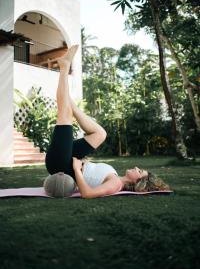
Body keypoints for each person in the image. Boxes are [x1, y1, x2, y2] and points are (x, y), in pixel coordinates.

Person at [44, 45, 170, 198]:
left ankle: (64, 67)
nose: (137, 167)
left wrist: (77, 169)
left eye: (140, 171)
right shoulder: (116, 176)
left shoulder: (116, 184)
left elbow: (88, 194)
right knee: (100, 134)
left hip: (60, 165)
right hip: (69, 160)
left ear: (140, 182)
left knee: (64, 114)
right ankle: (70, 101)